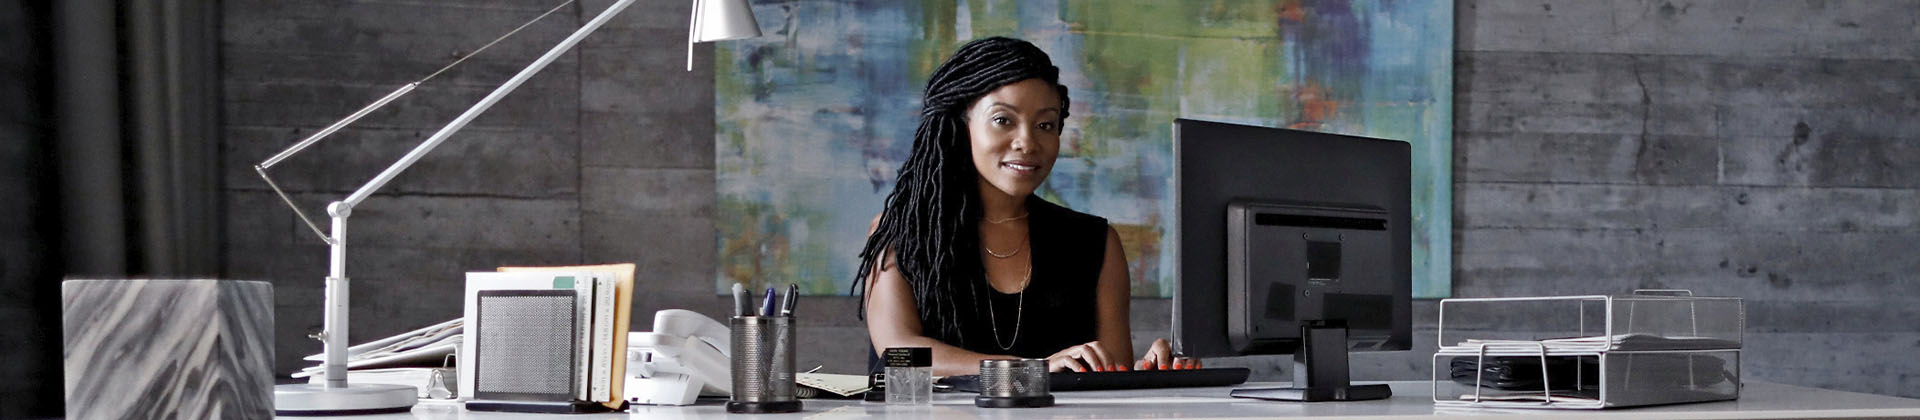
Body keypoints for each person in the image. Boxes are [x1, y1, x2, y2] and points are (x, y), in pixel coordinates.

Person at [853, 37, 1197, 376]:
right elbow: (898, 353)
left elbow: (1108, 373)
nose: (1028, 142)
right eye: (1004, 120)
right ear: (961, 125)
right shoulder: (903, 232)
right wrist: (1032, 369)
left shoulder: (1094, 242)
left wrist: (1147, 372)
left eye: (1045, 125)